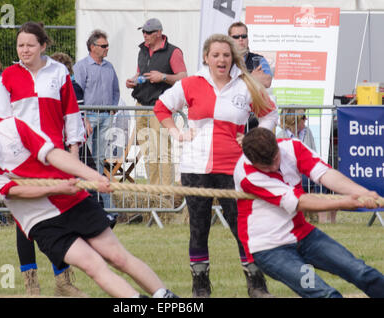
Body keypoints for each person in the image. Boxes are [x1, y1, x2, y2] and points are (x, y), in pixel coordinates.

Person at [0, 115, 178, 299]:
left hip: (72, 200)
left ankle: (165, 297)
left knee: (117, 256)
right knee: (92, 265)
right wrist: (56, 189)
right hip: (39, 221)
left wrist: (94, 177)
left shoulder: (13, 127)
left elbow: (54, 155)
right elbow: (14, 191)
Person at [154, 34, 278, 298]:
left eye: (226, 54)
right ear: (206, 58)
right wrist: (177, 133)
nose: (221, 59)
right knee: (198, 228)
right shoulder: (190, 83)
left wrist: (255, 138)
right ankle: (200, 286)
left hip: (234, 168)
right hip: (195, 168)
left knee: (241, 226)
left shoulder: (246, 85)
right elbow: (161, 107)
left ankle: (256, 284)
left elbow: (270, 113)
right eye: (215, 55)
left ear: (232, 57)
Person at [0, 22, 86, 296]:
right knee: (24, 222)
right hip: (21, 159)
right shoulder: (8, 75)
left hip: (55, 157)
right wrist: (3, 162)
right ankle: (31, 284)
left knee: (59, 218)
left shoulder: (59, 72)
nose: (24, 50)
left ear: (43, 45)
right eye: (20, 45)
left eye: (30, 45)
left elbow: (71, 114)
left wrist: (74, 155)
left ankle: (64, 281)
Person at [234, 127, 384, 298]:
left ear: (277, 144)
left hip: (303, 234)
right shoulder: (246, 175)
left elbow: (325, 174)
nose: (275, 166)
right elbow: (300, 202)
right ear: (252, 161)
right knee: (325, 294)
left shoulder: (292, 147)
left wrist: (363, 193)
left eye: (276, 158)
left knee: (361, 272)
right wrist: (343, 203)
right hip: (270, 248)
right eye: (267, 166)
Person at [126, 18, 187, 186]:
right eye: (143, 32)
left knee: (161, 150)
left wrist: (163, 77)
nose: (144, 35)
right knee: (147, 150)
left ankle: (166, 195)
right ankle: (153, 193)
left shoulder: (173, 52)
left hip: (160, 106)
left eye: (148, 32)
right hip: (141, 104)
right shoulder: (143, 50)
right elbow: (140, 73)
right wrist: (133, 80)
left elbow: (183, 77)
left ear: (159, 33)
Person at [73, 30, 120, 209]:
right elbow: (77, 93)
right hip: (88, 117)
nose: (107, 48)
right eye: (104, 46)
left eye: (107, 45)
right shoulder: (81, 66)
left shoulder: (109, 67)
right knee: (87, 158)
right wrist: (82, 117)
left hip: (105, 116)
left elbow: (116, 90)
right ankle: (88, 197)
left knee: (100, 158)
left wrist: (113, 109)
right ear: (93, 47)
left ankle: (98, 198)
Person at [277, 108, 336, 224]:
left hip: (306, 169)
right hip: (292, 172)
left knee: (323, 179)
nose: (306, 119)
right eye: (303, 117)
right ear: (295, 121)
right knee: (310, 180)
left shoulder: (307, 132)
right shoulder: (281, 136)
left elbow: (313, 151)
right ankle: (320, 214)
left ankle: (322, 215)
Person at [228, 21, 273, 131]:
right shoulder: (224, 60)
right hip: (230, 115)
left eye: (244, 36)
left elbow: (267, 81)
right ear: (229, 40)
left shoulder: (258, 59)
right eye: (236, 37)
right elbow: (223, 82)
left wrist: (239, 79)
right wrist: (252, 77)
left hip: (253, 117)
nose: (240, 39)